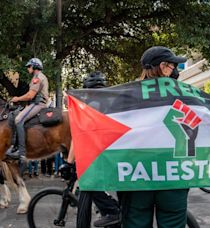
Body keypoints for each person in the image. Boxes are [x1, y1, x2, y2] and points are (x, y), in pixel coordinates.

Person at [121, 46, 188, 228]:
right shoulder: (183, 93)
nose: (174, 70)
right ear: (163, 66)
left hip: (135, 175)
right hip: (174, 175)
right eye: (173, 66)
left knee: (135, 222)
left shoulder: (126, 94)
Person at [64, 71, 121, 228]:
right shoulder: (110, 104)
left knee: (89, 187)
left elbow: (78, 136)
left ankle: (113, 211)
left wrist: (69, 162)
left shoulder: (88, 107)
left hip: (95, 159)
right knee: (85, 192)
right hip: (113, 155)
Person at [5, 58, 49, 161]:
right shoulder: (37, 77)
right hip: (34, 104)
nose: (28, 68)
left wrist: (17, 98)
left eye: (29, 66)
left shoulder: (37, 78)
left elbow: (30, 95)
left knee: (18, 119)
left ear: (34, 67)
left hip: (38, 104)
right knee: (15, 115)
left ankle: (21, 153)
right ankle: (14, 146)